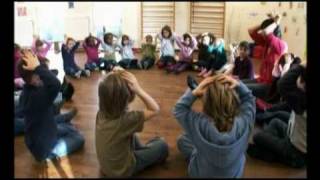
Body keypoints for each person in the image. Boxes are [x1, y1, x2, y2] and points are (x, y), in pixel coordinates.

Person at [173, 74, 255, 177]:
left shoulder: (199, 124)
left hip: (201, 174)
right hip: (234, 175)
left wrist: (194, 92)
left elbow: (179, 109)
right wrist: (238, 84)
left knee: (182, 140)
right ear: (234, 100)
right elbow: (249, 99)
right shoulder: (244, 122)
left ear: (206, 104)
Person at [96, 67, 169, 177]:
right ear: (125, 98)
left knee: (131, 133)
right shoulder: (126, 120)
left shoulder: (101, 113)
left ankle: (143, 150)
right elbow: (155, 109)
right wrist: (138, 89)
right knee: (162, 145)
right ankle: (145, 151)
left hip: (107, 167)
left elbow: (111, 90)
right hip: (123, 170)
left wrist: (118, 73)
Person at [17, 49, 85, 162]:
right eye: (42, 72)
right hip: (44, 149)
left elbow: (51, 83)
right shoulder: (37, 96)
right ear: (35, 77)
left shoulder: (28, 90)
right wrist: (38, 67)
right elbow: (55, 84)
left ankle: (65, 119)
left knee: (70, 128)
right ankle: (50, 155)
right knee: (78, 138)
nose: (45, 73)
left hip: (45, 131)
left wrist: (38, 67)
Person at [247, 64, 306, 168]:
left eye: (299, 79)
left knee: (257, 137)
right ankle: (269, 149)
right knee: (275, 121)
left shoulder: (303, 101)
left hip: (296, 152)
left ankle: (270, 153)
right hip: (291, 136)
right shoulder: (301, 99)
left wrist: (302, 66)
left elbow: (282, 84)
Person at [243, 14, 287, 100]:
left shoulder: (281, 45)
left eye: (263, 30)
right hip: (261, 80)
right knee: (237, 83)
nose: (262, 33)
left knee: (238, 89)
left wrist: (276, 22)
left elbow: (267, 32)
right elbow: (251, 31)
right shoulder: (266, 43)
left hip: (269, 86)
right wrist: (270, 20)